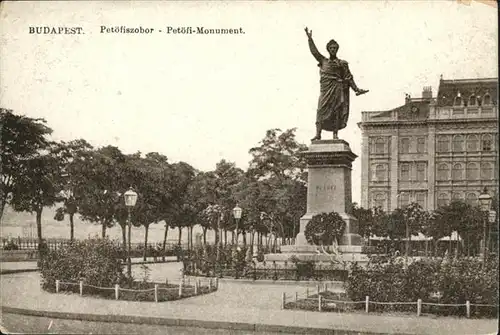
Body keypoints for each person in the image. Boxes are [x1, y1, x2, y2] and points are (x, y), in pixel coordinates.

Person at [305, 27, 368, 141]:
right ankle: (318, 134)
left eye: (335, 48)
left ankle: (335, 135)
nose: (333, 49)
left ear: (337, 49)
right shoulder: (323, 61)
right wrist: (310, 39)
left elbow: (348, 77)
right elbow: (314, 52)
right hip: (325, 91)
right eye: (331, 48)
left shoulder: (342, 63)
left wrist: (356, 89)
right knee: (320, 111)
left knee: (336, 112)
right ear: (328, 49)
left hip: (337, 90)